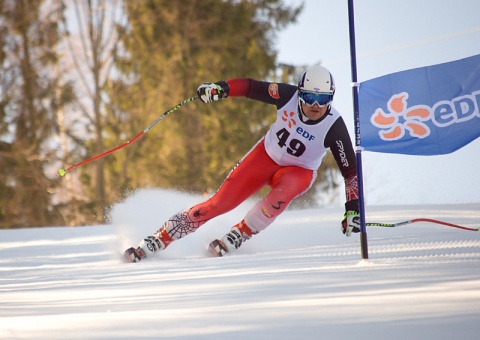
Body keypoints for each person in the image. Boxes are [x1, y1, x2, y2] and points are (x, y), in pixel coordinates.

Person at [124, 65, 360, 263]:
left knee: (283, 192)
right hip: (265, 157)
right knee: (219, 203)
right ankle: (161, 237)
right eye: (310, 97)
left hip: (299, 171)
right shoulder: (286, 95)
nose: (316, 105)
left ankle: (240, 233)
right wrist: (220, 88)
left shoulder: (334, 126)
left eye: (324, 99)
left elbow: (350, 172)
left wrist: (353, 209)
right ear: (300, 93)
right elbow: (251, 87)